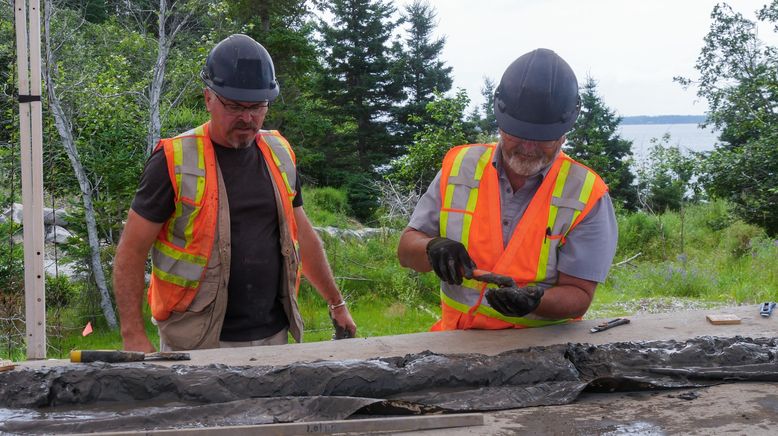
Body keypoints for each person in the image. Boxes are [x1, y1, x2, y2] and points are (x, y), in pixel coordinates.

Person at [114, 34, 356, 352]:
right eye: (234, 106)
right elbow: (130, 253)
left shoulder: (280, 152)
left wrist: (336, 303)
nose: (247, 117)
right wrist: (133, 336)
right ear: (208, 99)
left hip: (274, 335)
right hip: (197, 342)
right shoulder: (173, 160)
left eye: (257, 107)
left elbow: (303, 234)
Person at [397, 48, 617, 331]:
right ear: (500, 121)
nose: (528, 147)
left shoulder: (587, 194)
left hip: (540, 354)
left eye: (543, 138)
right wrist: (431, 248)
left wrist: (536, 302)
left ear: (565, 132)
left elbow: (579, 295)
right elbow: (406, 251)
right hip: (454, 343)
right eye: (518, 133)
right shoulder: (459, 167)